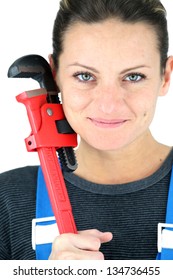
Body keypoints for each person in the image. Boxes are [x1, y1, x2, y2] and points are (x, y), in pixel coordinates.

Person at [0, 0, 173, 260]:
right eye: (85, 76)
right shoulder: (7, 201)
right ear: (55, 75)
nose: (108, 105)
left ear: (166, 77)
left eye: (133, 76)